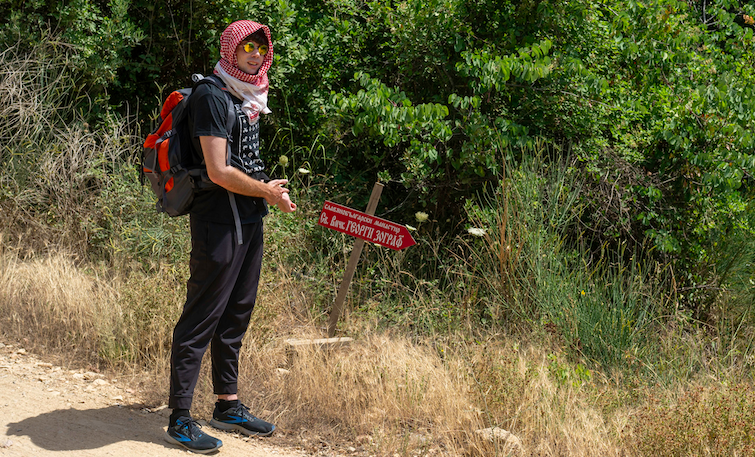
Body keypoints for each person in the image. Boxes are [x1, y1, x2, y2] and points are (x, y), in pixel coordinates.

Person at [164, 19, 296, 454]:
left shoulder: (250, 94)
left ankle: (227, 405)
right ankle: (180, 418)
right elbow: (219, 171)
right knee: (202, 315)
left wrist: (264, 192)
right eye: (247, 49)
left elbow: (241, 160)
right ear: (230, 51)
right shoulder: (212, 96)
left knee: (236, 314)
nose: (256, 55)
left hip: (249, 216)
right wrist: (267, 193)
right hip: (219, 221)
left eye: (261, 48)